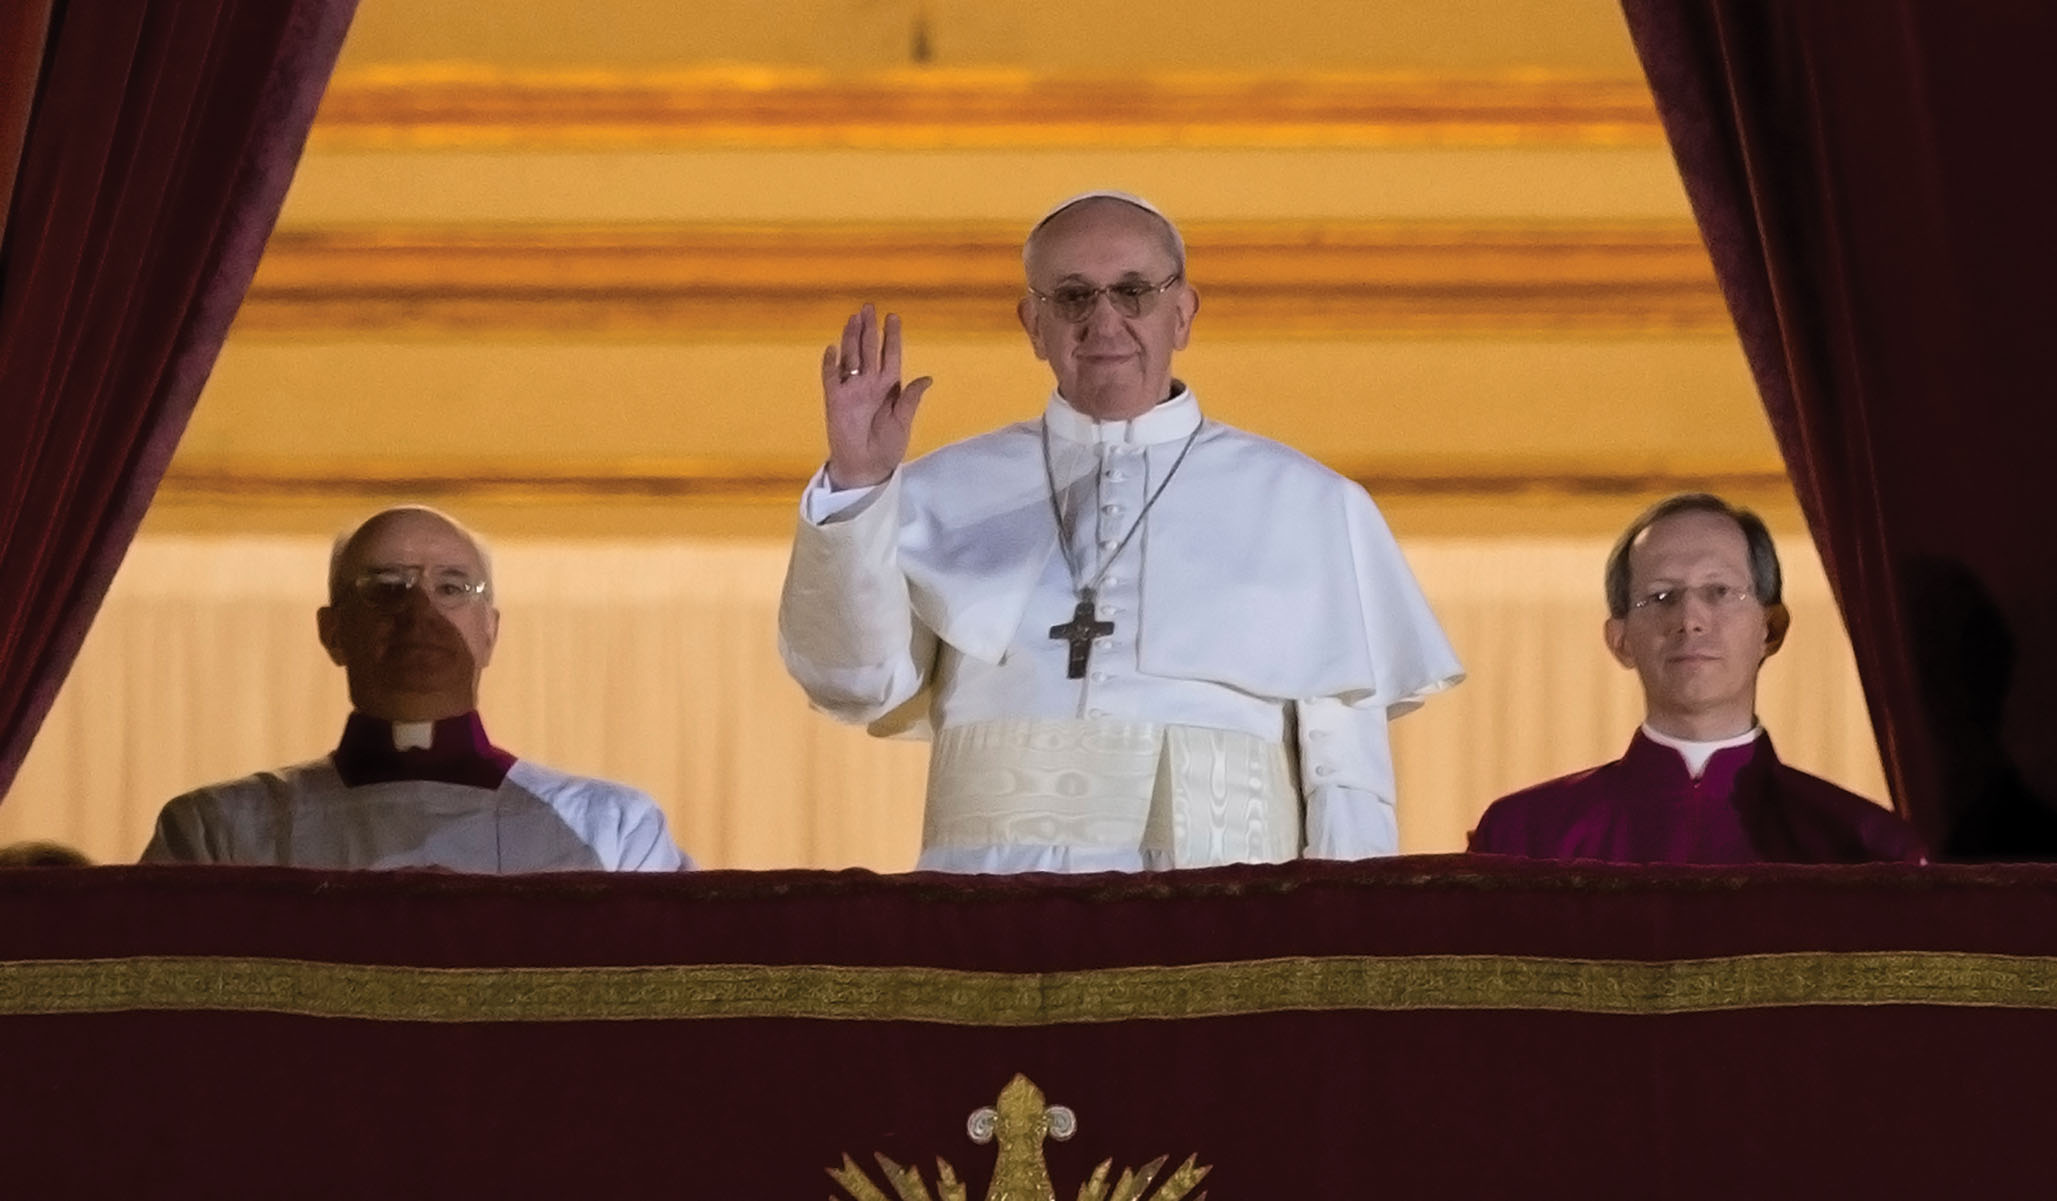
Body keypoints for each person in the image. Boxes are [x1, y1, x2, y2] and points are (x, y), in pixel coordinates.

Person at [779, 190, 1462, 873]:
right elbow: (854, 684)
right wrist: (859, 485)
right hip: (987, 908)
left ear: (1182, 313)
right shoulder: (937, 493)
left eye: (1133, 292)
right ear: (1033, 324)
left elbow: (1346, 777)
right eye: (1073, 297)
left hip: (1222, 914)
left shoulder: (1309, 504)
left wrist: (1340, 925)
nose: (1103, 321)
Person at [142, 505, 690, 872]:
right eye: (386, 587)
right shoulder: (220, 833)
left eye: (452, 587)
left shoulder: (614, 830)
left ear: (490, 631)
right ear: (332, 632)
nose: (420, 612)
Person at [1469, 493, 1925, 863]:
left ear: (1771, 628)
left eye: (1719, 591)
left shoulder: (1866, 847)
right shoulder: (1524, 838)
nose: (1690, 620)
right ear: (1620, 640)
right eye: (1661, 596)